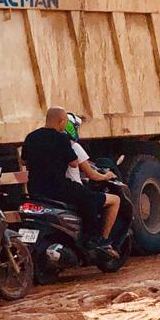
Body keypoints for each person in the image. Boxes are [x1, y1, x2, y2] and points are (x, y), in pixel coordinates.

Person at [22, 107, 115, 257]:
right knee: (90, 199)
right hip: (58, 187)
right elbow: (73, 163)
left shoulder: (31, 137)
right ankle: (92, 239)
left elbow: (24, 161)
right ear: (62, 121)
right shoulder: (62, 139)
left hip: (35, 188)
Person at [64, 112, 122, 248]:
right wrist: (106, 176)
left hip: (56, 190)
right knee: (115, 200)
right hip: (74, 191)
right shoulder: (73, 147)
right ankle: (102, 240)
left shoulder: (52, 145)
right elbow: (92, 175)